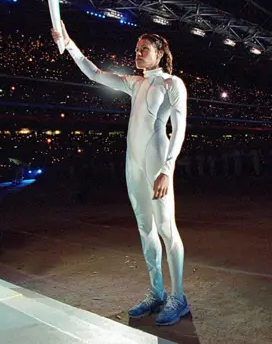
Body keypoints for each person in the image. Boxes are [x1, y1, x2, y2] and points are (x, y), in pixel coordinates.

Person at [51, 22, 190, 326]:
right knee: (145, 229)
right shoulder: (135, 84)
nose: (138, 54)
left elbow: (178, 130)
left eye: (144, 49)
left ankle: (179, 297)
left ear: (159, 53)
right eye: (136, 49)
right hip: (133, 162)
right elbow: (96, 74)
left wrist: (167, 169)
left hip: (156, 161)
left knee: (167, 229)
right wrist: (69, 43)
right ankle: (157, 292)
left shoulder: (172, 84)